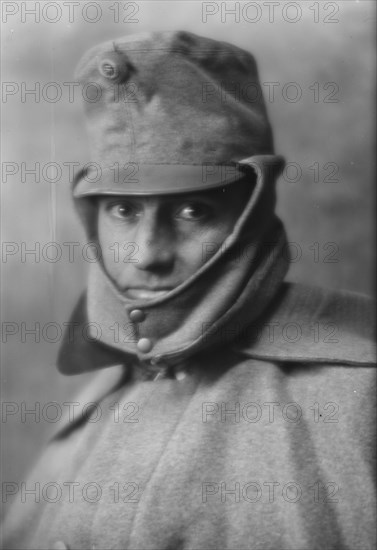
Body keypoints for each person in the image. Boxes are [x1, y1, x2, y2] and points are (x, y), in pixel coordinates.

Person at [2, 30, 375, 550]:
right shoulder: (92, 404)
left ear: (252, 211)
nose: (148, 253)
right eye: (124, 211)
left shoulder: (358, 401)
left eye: (192, 210)